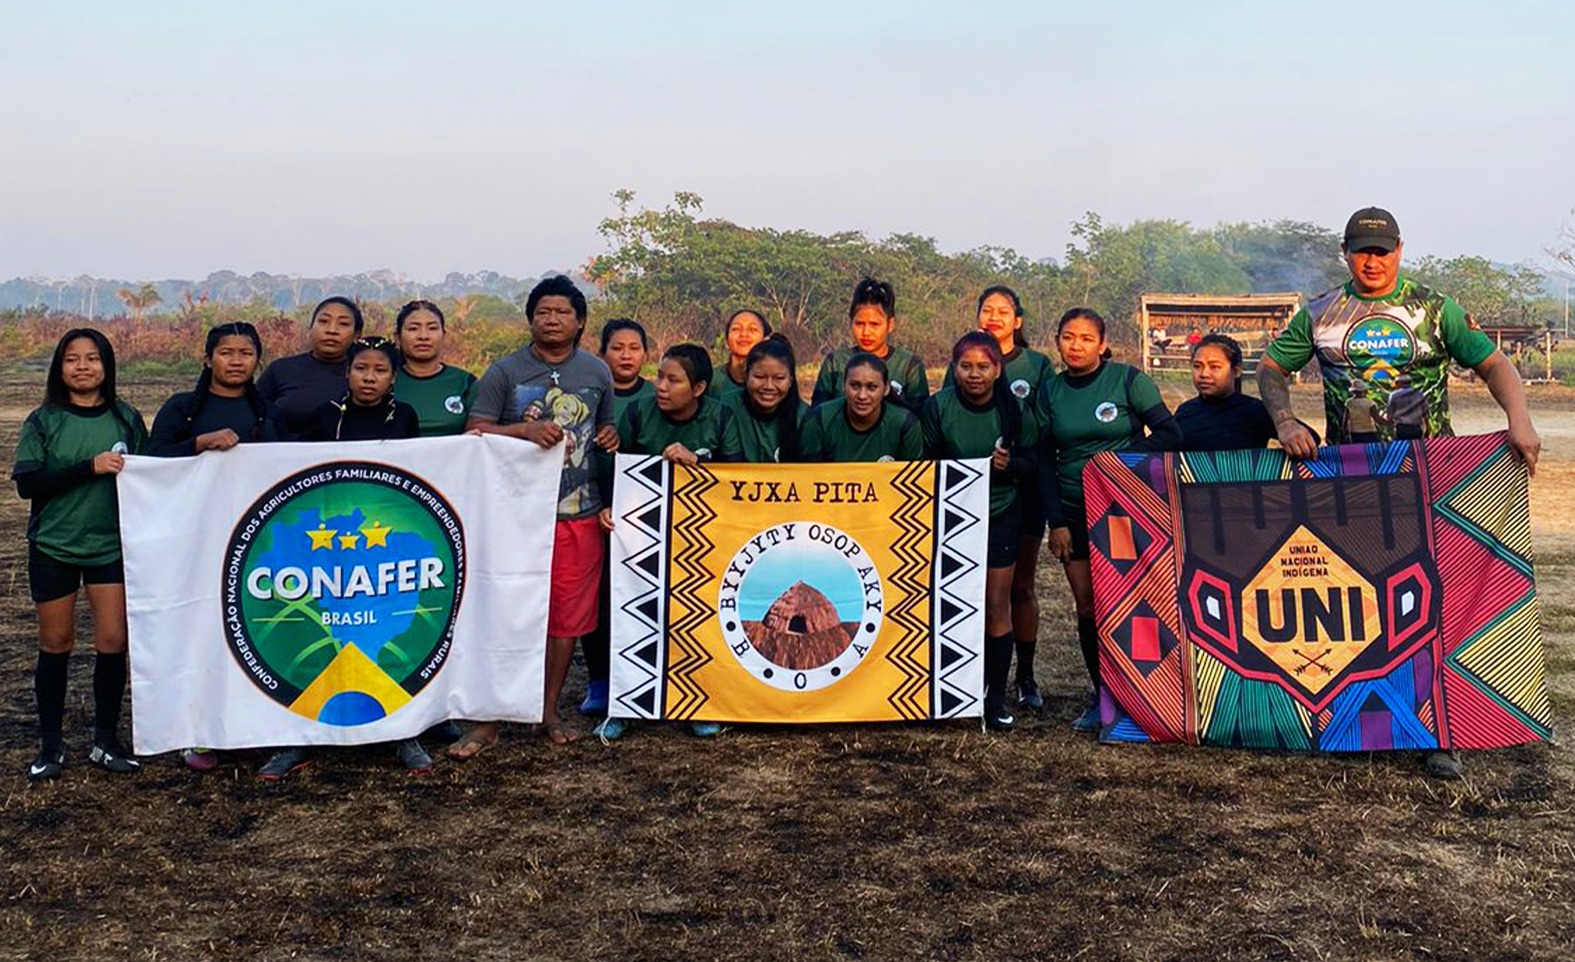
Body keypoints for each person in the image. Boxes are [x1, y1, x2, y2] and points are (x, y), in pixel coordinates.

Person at [1257, 206, 1541, 779]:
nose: (1373, 259)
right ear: (1345, 253)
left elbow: (1493, 365)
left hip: (1427, 476)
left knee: (1433, 602)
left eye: (1382, 250)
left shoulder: (1434, 309)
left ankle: (1442, 732)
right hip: (1351, 478)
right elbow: (1270, 367)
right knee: (1361, 601)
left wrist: (1520, 419)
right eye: (1362, 249)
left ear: (1400, 251)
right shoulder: (1318, 314)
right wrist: (1285, 420)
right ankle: (1358, 721)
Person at [453, 276, 618, 755]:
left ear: (580, 321)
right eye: (543, 311)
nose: (551, 319)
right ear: (530, 319)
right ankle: (488, 720)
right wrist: (522, 433)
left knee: (565, 620)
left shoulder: (596, 372)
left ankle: (546, 711)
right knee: (504, 614)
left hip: (578, 514)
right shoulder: (504, 372)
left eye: (562, 312)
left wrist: (609, 438)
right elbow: (475, 433)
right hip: (515, 518)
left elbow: (604, 428)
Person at [256, 337, 427, 781]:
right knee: (316, 634)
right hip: (327, 549)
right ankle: (297, 735)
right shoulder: (326, 415)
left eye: (380, 371)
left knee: (381, 634)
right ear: (347, 372)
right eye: (361, 369)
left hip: (381, 551)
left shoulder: (404, 417)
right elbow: (302, 475)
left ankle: (402, 733)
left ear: (393, 377)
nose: (369, 378)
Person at [13, 329, 149, 781]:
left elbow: (153, 479)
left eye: (93, 358)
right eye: (73, 359)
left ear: (107, 366)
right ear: (60, 367)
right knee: (56, 645)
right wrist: (88, 467)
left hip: (109, 546)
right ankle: (51, 747)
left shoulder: (126, 419)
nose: (83, 366)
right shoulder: (43, 421)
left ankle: (105, 742)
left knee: (113, 642)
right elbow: (28, 484)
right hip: (54, 546)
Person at [1038, 308, 1183, 733]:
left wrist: (1120, 460)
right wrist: (1056, 522)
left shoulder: (1127, 380)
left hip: (1125, 511)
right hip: (1074, 509)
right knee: (1088, 606)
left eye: (1086, 338)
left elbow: (1171, 433)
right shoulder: (1050, 392)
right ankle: (1102, 697)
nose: (1076, 345)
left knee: (1136, 603)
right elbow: (1045, 460)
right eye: (1068, 337)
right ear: (1059, 342)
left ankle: (1150, 695)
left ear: (1102, 344)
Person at [149, 322, 283, 771]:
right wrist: (198, 445)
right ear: (208, 359)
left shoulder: (268, 412)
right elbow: (149, 464)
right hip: (196, 541)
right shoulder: (182, 409)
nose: (236, 361)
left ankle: (249, 728)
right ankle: (199, 732)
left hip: (255, 542)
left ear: (256, 360)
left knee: (252, 631)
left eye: (246, 353)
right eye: (226, 352)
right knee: (202, 632)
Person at [600, 343, 739, 740]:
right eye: (659, 376)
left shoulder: (722, 417)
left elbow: (737, 477)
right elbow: (615, 467)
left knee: (700, 617)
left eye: (672, 380)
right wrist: (609, 508)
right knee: (636, 614)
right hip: (645, 535)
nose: (660, 386)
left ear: (697, 389)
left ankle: (700, 703)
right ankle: (626, 705)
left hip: (706, 537)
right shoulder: (638, 413)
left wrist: (700, 466)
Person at [944, 286, 1057, 710]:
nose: (994, 315)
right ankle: (973, 680)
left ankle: (1024, 678)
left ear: (1018, 320)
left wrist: (1015, 466)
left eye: (1003, 310)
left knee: (1018, 589)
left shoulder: (1037, 366)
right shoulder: (964, 365)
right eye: (987, 309)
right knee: (974, 592)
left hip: (1018, 499)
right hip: (967, 499)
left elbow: (1040, 443)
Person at [921, 332, 1037, 732]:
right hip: (950, 517)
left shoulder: (1015, 410)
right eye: (966, 366)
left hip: (1000, 513)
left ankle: (995, 698)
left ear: (998, 369)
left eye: (983, 367)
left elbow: (1035, 463)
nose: (974, 374)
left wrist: (1011, 466)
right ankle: (947, 692)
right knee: (947, 602)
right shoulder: (937, 407)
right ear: (954, 368)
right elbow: (924, 462)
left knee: (994, 603)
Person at [579, 318, 654, 720]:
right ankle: (599, 683)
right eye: (617, 348)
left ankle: (640, 677)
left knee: (638, 594)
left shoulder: (658, 397)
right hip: (592, 504)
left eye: (634, 348)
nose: (626, 355)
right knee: (598, 596)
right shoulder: (589, 394)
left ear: (646, 354)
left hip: (640, 513)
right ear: (602, 352)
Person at [812, 278, 931, 414]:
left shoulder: (908, 365)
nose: (866, 332)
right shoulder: (835, 362)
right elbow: (818, 414)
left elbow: (920, 416)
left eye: (875, 324)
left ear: (890, 324)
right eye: (859, 324)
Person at [257, 296, 361, 439]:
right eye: (323, 321)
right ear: (310, 328)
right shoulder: (281, 369)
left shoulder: (367, 375)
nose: (332, 330)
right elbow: (253, 414)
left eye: (343, 324)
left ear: (357, 335)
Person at [799, 353, 924, 462]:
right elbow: (810, 477)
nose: (862, 396)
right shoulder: (819, 419)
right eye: (855, 386)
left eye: (872, 387)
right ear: (844, 385)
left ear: (886, 389)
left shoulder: (906, 424)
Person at [1174, 334, 1277, 451]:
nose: (1204, 374)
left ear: (1236, 371)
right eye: (1197, 366)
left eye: (1214, 367)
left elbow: (1298, 436)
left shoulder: (1255, 411)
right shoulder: (1184, 412)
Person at [394, 299, 477, 437]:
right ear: (397, 337)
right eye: (413, 329)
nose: (423, 336)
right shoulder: (384, 383)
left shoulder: (465, 382)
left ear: (444, 335)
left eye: (432, 328)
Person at [721, 334, 805, 463]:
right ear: (746, 376)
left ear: (790, 381)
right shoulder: (723, 407)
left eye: (779, 378)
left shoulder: (805, 417)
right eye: (760, 377)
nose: (769, 386)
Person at [712, 309, 770, 401]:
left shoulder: (773, 382)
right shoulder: (711, 380)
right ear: (727, 341)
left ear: (765, 340)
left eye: (753, 329)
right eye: (736, 329)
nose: (744, 334)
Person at [1343, 378, 1385, 444]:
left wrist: (1345, 433)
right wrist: (1388, 422)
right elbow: (1377, 419)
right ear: (1365, 391)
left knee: (1358, 451)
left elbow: (1345, 420)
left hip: (1354, 432)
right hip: (1369, 431)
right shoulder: (1370, 403)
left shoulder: (1349, 403)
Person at [1385, 373, 1427, 440]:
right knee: (1415, 448)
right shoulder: (1419, 394)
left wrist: (1389, 428)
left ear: (1399, 383)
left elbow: (1390, 414)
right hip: (1416, 428)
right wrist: (1427, 428)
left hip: (1402, 428)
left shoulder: (1394, 395)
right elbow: (1425, 412)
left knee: (1403, 448)